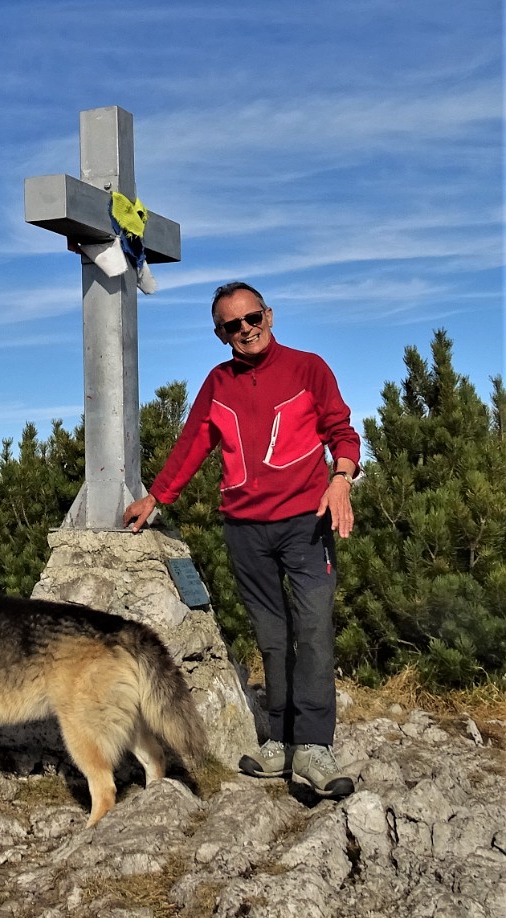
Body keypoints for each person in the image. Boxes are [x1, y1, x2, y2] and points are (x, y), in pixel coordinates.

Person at [122, 282, 360, 798]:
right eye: (232, 325)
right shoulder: (218, 382)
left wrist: (341, 477)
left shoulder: (308, 368)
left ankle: (315, 746)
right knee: (272, 637)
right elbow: (192, 445)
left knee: (313, 630)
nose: (246, 329)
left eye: (252, 317)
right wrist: (156, 498)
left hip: (307, 523)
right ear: (219, 333)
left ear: (269, 315)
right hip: (245, 529)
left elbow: (342, 431)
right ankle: (281, 739)